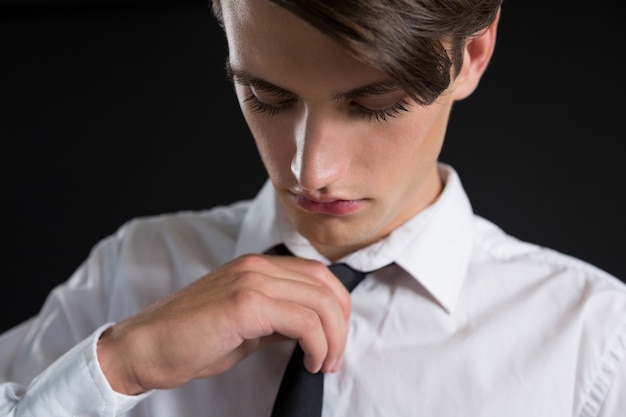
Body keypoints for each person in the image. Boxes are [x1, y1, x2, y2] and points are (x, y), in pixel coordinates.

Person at [1, 0, 624, 415]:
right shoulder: (129, 272)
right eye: (265, 96)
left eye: (374, 103)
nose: (310, 171)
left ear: (473, 53)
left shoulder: (596, 344)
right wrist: (117, 366)